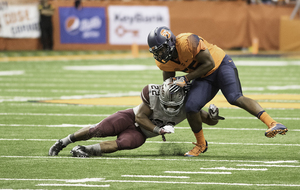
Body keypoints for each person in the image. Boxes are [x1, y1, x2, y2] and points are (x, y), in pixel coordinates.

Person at [147, 26, 288, 157]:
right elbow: (169, 85)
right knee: (190, 106)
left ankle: (272, 123)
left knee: (235, 97)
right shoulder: (163, 61)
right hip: (202, 76)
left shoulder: (188, 42)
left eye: (161, 49)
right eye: (156, 52)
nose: (159, 54)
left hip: (220, 65)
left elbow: (209, 64)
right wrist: (167, 113)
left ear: (170, 42)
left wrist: (186, 79)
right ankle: (201, 144)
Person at [48, 78, 224, 157]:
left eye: (174, 105)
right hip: (131, 118)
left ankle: (84, 150)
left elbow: (208, 120)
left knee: (122, 144)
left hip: (142, 134)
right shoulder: (152, 94)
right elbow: (140, 117)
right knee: (98, 130)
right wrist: (159, 130)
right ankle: (63, 142)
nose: (170, 108)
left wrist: (214, 117)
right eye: (166, 103)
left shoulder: (188, 104)